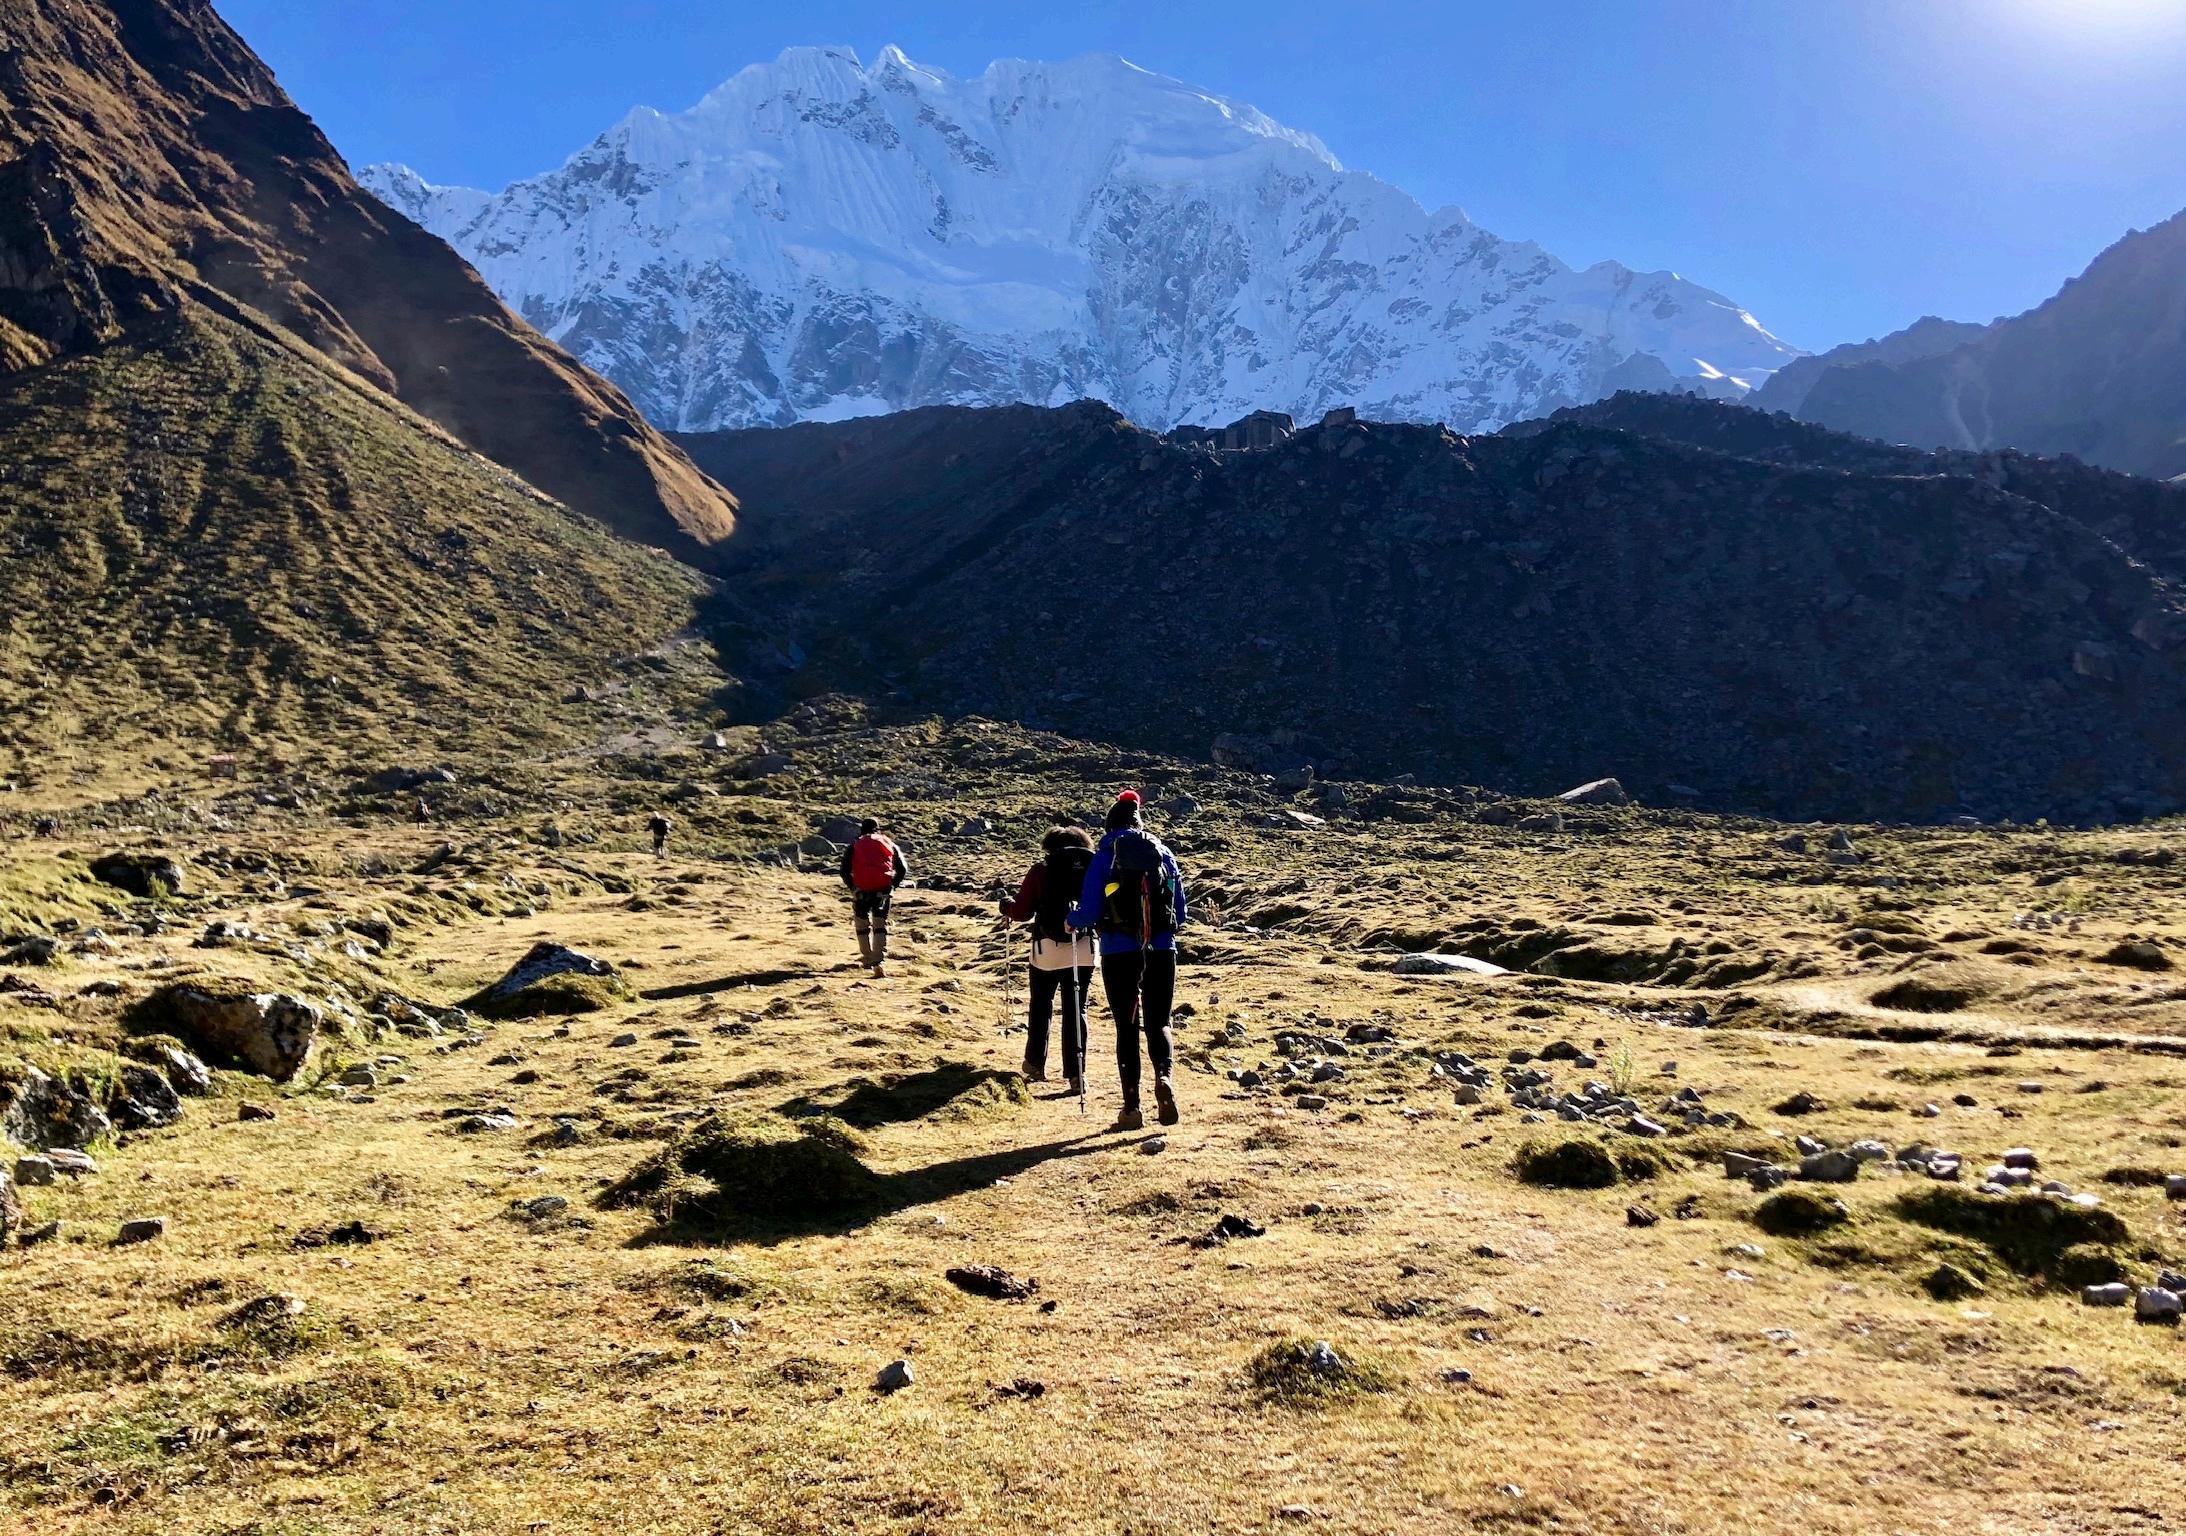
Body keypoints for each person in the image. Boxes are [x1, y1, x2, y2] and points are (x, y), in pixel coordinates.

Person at [1070, 790, 1187, 1131]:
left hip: (1119, 952)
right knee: (1160, 1021)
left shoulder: (1104, 856)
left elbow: (1089, 911)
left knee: (1126, 1026)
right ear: (1139, 823)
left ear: (1109, 826)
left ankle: (1132, 1107)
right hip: (1162, 950)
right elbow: (1180, 912)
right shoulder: (1163, 853)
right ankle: (1164, 1078)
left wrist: (1072, 920)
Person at [998, 827, 1098, 1091]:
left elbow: (1022, 912)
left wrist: (1006, 906)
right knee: (1077, 1008)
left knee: (1041, 1004)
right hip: (1084, 947)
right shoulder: (1092, 869)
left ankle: (1034, 1063)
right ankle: (1076, 1074)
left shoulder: (1041, 870)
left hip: (1046, 949)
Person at [839, 818, 909, 976]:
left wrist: (853, 888)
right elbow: (903, 869)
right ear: (878, 829)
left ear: (862, 829)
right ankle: (878, 960)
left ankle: (866, 956)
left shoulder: (855, 844)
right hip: (882, 889)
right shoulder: (888, 843)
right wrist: (892, 886)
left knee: (861, 923)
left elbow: (844, 870)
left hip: (862, 890)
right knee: (880, 922)